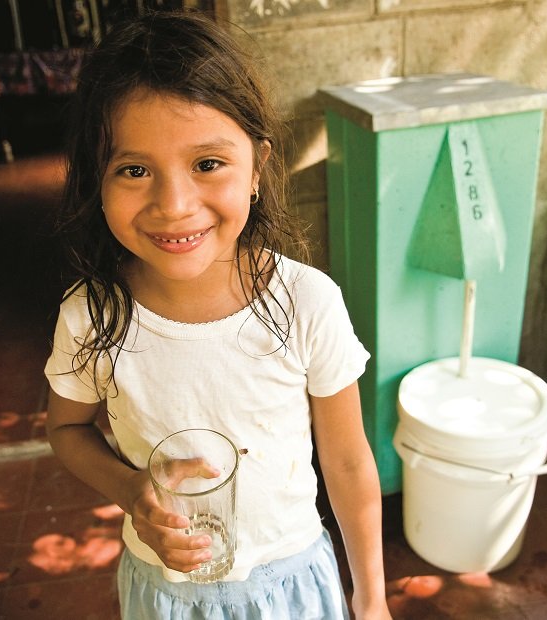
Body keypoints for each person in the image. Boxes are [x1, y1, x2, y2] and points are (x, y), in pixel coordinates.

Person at [44, 11, 392, 619]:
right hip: (164, 591)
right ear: (94, 183)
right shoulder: (91, 318)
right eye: (133, 170)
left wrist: (372, 598)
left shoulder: (306, 302)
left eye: (207, 163)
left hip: (290, 583)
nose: (174, 206)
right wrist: (132, 490)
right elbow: (67, 430)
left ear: (256, 167)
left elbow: (347, 460)